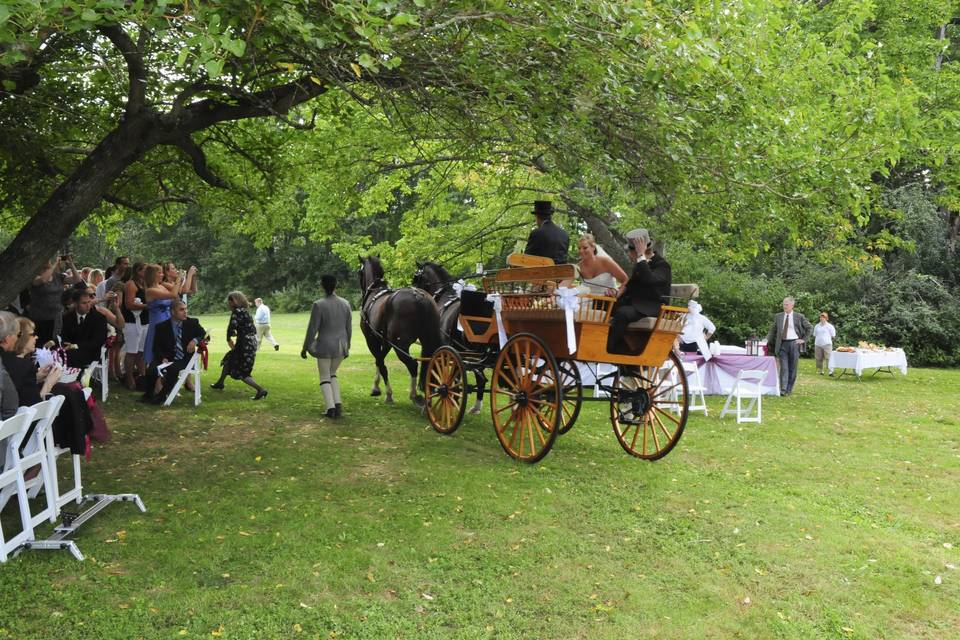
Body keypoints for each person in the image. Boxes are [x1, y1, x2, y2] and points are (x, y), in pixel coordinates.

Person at [607, 228, 672, 354]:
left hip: (651, 306)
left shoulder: (662, 265)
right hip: (635, 304)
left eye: (630, 251)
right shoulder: (640, 264)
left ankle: (610, 347)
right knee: (601, 304)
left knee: (623, 313)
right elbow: (630, 285)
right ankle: (603, 341)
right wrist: (616, 293)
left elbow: (650, 279)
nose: (629, 254)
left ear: (636, 251)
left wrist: (641, 257)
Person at [301, 275, 352, 418]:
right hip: (341, 346)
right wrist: (348, 346)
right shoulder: (345, 303)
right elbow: (349, 329)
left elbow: (312, 329)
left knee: (324, 376)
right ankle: (338, 404)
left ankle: (330, 408)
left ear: (322, 286)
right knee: (333, 374)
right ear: (336, 285)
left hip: (324, 346)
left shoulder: (319, 304)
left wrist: (305, 347)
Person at [143, 300, 206, 404]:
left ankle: (162, 396)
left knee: (173, 369)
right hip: (167, 357)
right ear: (172, 312)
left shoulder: (192, 323)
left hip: (184, 358)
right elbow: (156, 347)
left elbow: (205, 336)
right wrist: (162, 357)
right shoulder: (161, 327)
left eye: (186, 309)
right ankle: (148, 394)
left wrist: (195, 340)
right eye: (181, 310)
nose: (185, 312)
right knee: (151, 369)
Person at [210, 291, 268, 400]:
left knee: (242, 371)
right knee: (229, 359)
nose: (228, 304)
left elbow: (231, 328)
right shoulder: (246, 311)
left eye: (229, 301)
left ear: (234, 301)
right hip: (251, 342)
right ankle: (220, 382)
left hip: (244, 344)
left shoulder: (237, 312)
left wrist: (229, 339)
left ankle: (260, 390)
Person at [2, 316, 61, 406]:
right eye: (32, 334)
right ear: (21, 338)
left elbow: (16, 385)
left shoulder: (8, 360)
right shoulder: (23, 365)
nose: (36, 337)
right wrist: (49, 384)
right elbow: (34, 407)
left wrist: (35, 378)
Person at [28, 255, 82, 344]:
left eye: (49, 260)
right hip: (39, 318)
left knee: (54, 343)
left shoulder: (57, 276)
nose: (48, 262)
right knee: (40, 344)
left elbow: (77, 279)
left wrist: (71, 264)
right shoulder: (34, 276)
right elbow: (43, 280)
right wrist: (55, 264)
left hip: (56, 317)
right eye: (46, 260)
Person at [766, 296, 813, 396]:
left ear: (792, 305)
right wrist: (766, 340)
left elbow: (809, 328)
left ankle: (789, 389)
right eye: (784, 304)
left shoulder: (799, 316)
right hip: (782, 344)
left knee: (792, 368)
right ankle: (783, 389)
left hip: (794, 344)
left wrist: (803, 340)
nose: (785, 306)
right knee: (784, 367)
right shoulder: (778, 316)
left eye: (787, 304)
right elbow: (773, 330)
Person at [143, 263, 187, 366]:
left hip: (168, 319)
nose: (162, 275)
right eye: (160, 273)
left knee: (170, 346)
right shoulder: (150, 291)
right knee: (159, 347)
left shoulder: (162, 286)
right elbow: (172, 294)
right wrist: (178, 279)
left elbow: (178, 293)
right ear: (153, 275)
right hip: (158, 321)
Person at [60, 289, 108, 369]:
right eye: (84, 303)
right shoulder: (67, 317)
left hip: (91, 352)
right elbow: (64, 336)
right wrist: (54, 343)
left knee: (69, 356)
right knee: (54, 354)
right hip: (71, 350)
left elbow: (98, 341)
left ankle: (75, 378)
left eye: (89, 302)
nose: (88, 305)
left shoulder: (99, 318)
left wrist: (75, 346)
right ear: (75, 304)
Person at [523, 200, 569, 265]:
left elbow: (526, 259)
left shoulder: (537, 233)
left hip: (542, 273)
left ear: (537, 217)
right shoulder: (564, 234)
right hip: (562, 273)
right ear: (550, 216)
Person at [0, 311, 22, 418]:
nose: (18, 338)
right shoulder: (9, 363)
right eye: (18, 334)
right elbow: (11, 408)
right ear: (8, 338)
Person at [813, 311, 836, 376]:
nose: (821, 318)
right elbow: (814, 335)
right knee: (819, 358)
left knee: (828, 358)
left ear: (826, 318)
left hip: (827, 344)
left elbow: (833, 336)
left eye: (823, 317)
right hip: (818, 344)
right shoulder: (817, 326)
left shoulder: (830, 326)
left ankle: (831, 372)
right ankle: (821, 371)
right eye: (821, 317)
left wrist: (826, 340)